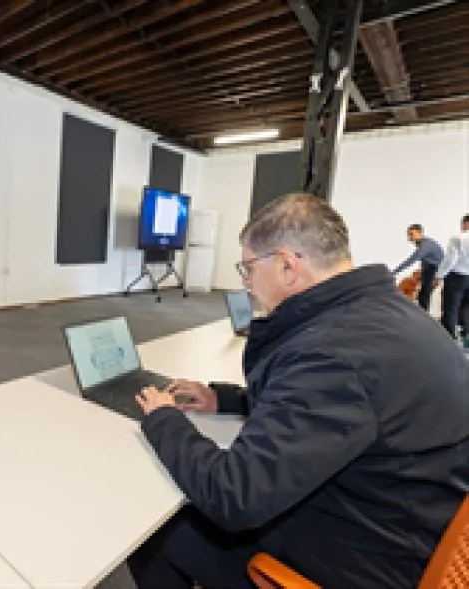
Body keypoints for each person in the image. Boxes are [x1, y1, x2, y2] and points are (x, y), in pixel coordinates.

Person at [129, 194, 469, 589]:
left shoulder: (333, 353)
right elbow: (339, 411)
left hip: (367, 559)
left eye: (248, 268)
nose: (245, 282)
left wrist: (164, 419)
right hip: (404, 523)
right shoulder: (389, 315)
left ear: (287, 266)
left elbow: (233, 496)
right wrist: (226, 399)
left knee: (158, 529)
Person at [393, 224, 444, 311]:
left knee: (424, 295)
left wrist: (394, 272)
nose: (409, 238)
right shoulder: (423, 243)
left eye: (411, 234)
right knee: (422, 294)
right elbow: (425, 260)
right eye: (408, 235)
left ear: (420, 233)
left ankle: (423, 316)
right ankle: (422, 314)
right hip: (429, 269)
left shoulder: (426, 245)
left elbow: (412, 260)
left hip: (434, 270)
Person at [436, 214, 469, 338]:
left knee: (451, 307)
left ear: (465, 223)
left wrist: (439, 275)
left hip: (457, 277)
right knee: (467, 306)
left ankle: (449, 336)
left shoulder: (457, 238)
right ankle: (466, 334)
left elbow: (450, 260)